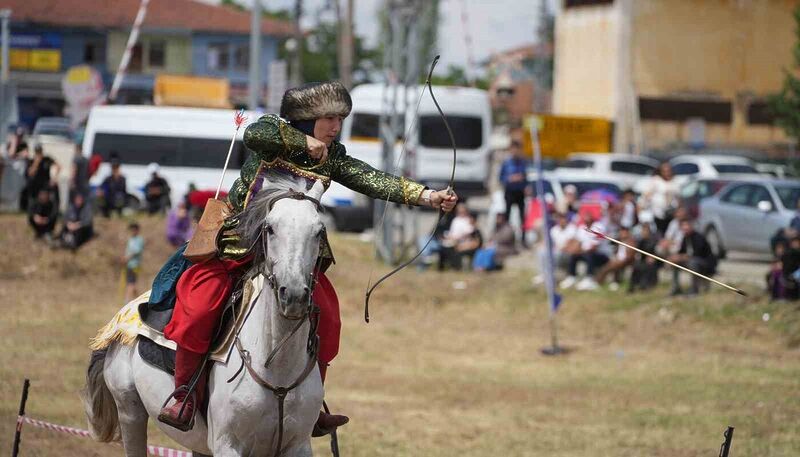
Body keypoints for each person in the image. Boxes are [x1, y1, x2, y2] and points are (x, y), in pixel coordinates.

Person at [156, 81, 458, 432]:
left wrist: (427, 196)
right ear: (306, 118)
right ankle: (184, 396)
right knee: (200, 306)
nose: (335, 127)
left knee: (327, 315)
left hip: (294, 258)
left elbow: (373, 180)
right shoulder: (275, 132)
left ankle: (311, 406)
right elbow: (254, 134)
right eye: (328, 118)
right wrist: (303, 142)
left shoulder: (334, 156)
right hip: (240, 249)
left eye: (340, 119)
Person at [560, 212, 610, 291]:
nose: (586, 218)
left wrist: (580, 251)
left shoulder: (599, 227)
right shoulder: (582, 228)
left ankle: (589, 279)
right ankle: (572, 277)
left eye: (588, 216)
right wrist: (573, 250)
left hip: (602, 255)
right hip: (586, 253)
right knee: (574, 255)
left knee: (589, 254)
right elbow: (578, 243)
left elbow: (594, 248)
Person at [668, 219, 717, 296]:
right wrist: (675, 257)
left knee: (693, 263)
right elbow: (681, 252)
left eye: (686, 227)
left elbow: (696, 254)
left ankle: (694, 290)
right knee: (675, 262)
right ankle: (676, 288)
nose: (685, 229)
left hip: (705, 263)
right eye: (683, 228)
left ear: (691, 227)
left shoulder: (699, 237)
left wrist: (681, 257)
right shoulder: (685, 238)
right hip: (691, 261)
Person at [498, 140, 529, 239]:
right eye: (513, 149)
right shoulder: (506, 163)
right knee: (507, 216)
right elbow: (501, 178)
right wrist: (509, 179)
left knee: (522, 217)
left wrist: (522, 180)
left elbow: (525, 177)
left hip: (519, 192)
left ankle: (523, 238)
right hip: (510, 192)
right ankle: (507, 237)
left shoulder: (522, 162)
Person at [641, 162, 679, 235]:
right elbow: (646, 195)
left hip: (672, 214)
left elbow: (678, 197)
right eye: (665, 171)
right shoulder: (655, 181)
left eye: (668, 170)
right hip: (658, 214)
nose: (667, 173)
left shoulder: (675, 181)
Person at [25, 144, 60, 211]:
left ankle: (55, 209)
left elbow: (58, 166)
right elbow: (30, 173)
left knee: (55, 187)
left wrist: (54, 178)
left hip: (46, 183)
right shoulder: (32, 161)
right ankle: (33, 209)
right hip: (36, 184)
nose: (39, 154)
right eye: (37, 152)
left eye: (40, 152)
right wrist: (36, 162)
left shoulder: (47, 159)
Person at [628, 222, 660, 293]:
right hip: (642, 260)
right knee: (636, 266)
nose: (644, 232)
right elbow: (637, 250)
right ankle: (632, 286)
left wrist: (653, 256)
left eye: (645, 231)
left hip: (652, 261)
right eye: (643, 231)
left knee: (648, 266)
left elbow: (656, 251)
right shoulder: (641, 240)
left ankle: (645, 285)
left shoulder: (653, 240)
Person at [123, 222, 144, 303]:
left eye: (134, 229)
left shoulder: (139, 239)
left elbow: (136, 251)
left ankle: (127, 301)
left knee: (131, 283)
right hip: (128, 264)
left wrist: (127, 258)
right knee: (132, 283)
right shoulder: (131, 239)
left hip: (135, 264)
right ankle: (139, 299)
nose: (132, 231)